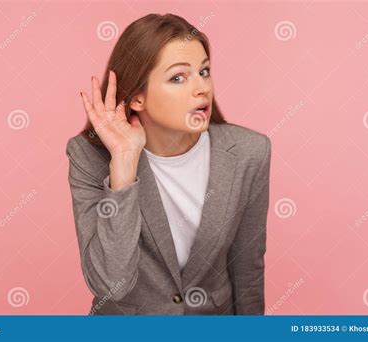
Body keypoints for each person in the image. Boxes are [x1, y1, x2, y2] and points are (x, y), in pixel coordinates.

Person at [66, 13, 271, 315]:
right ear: (137, 98)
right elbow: (111, 285)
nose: (202, 88)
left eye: (204, 71)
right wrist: (123, 164)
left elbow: (247, 268)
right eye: (178, 77)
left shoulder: (249, 152)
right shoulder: (88, 155)